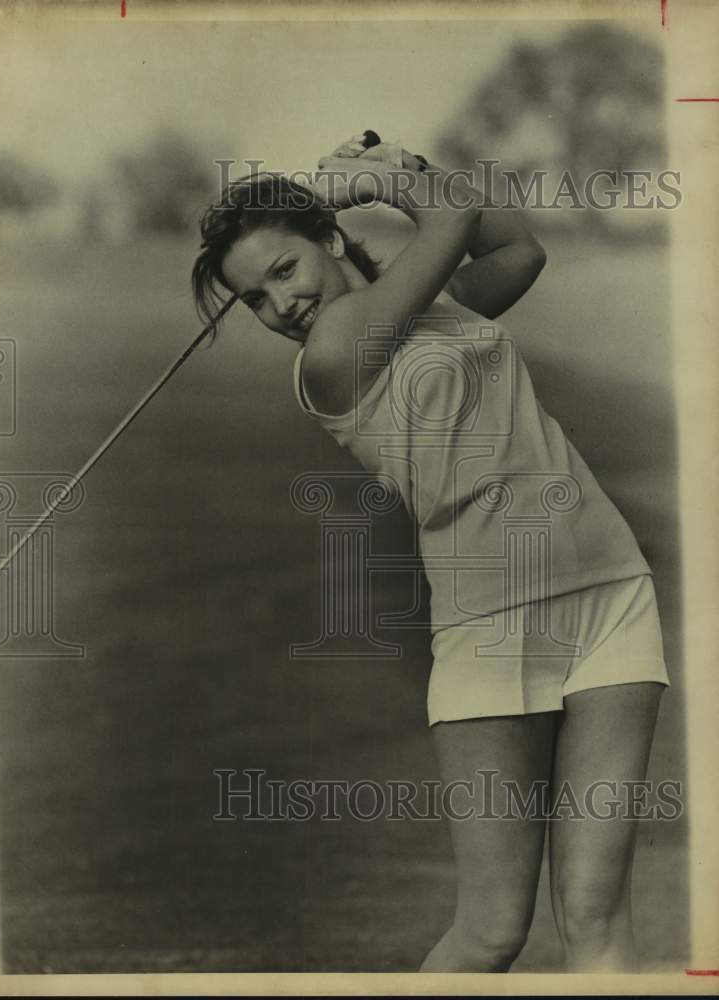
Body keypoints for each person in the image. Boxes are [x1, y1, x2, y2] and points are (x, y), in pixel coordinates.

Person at [191, 136, 670, 973]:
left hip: (610, 589)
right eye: (255, 298)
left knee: (599, 925)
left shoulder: (438, 306)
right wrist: (376, 181)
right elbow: (451, 217)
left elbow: (518, 246)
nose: (280, 304)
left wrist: (403, 163)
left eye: (283, 269)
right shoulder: (333, 356)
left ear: (329, 242)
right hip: (491, 621)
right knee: (491, 931)